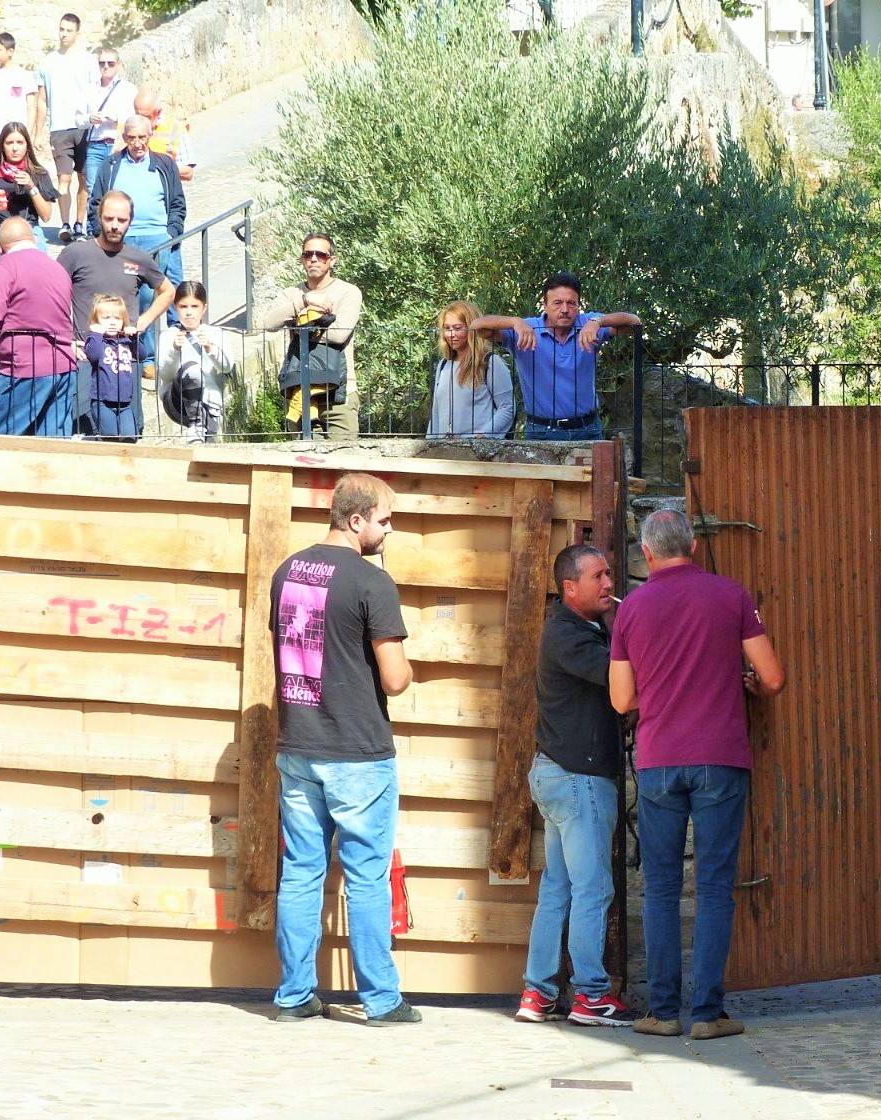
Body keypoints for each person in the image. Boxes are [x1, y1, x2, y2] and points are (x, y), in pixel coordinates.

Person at [609, 509, 785, 1039]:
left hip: (660, 759)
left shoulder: (632, 608)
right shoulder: (730, 595)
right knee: (713, 887)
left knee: (660, 887)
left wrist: (660, 694)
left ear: (647, 553)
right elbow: (773, 677)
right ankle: (707, 1015)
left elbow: (622, 700)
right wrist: (746, 685)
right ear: (693, 546)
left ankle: (662, 1013)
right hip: (721, 758)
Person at [269, 472, 421, 1027]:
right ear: (355, 520)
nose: (388, 529)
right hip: (357, 753)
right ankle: (380, 1001)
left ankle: (292, 996)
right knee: (365, 877)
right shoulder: (371, 581)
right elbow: (395, 679)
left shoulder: (287, 572)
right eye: (384, 520)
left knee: (302, 873)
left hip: (299, 745)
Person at [517, 544, 633, 1028]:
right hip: (578, 779)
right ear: (570, 588)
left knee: (559, 890)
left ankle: (538, 994)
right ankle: (589, 996)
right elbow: (623, 680)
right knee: (591, 890)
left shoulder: (576, 629)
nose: (609, 583)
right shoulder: (571, 636)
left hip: (558, 774)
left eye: (609, 574)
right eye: (598, 577)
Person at [472, 272, 641, 441]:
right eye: (557, 303)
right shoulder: (526, 329)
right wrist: (515, 322)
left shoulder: (589, 324)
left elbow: (634, 322)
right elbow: (477, 326)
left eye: (571, 303)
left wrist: (598, 322)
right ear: (544, 305)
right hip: (541, 431)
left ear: (579, 305)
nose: (565, 309)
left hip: (587, 429)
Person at [58, 191, 174, 428]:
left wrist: (144, 321)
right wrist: (65, 339)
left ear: (130, 221)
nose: (114, 226)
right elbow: (51, 295)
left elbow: (168, 291)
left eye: (121, 220)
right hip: (86, 359)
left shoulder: (139, 258)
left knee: (128, 433)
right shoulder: (76, 253)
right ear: (99, 217)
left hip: (124, 361)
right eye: (109, 219)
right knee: (85, 431)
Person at [85, 115, 186, 374]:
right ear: (124, 138)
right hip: (123, 238)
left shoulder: (164, 164)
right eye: (132, 137)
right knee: (126, 294)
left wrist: (170, 233)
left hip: (156, 237)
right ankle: (132, 353)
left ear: (150, 135)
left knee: (151, 294)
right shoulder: (111, 165)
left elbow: (177, 203)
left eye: (142, 136)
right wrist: (100, 235)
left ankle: (149, 357)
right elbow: (96, 202)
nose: (138, 143)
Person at [0, 216, 77, 437]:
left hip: (24, 368)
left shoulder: (5, 265)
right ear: (33, 239)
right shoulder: (56, 267)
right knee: (52, 448)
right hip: (63, 366)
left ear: (0, 247)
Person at [261, 233, 362, 438]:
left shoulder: (348, 292)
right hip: (300, 389)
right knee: (305, 463)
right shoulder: (291, 294)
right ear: (302, 260)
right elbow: (268, 323)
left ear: (332, 260)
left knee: (346, 461)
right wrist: (304, 302)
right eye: (308, 254)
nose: (313, 259)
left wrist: (301, 329)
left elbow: (338, 335)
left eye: (320, 254)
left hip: (339, 393)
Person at [34, 13, 97, 245]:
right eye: (61, 29)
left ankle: (80, 223)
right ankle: (65, 223)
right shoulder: (47, 63)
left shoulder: (88, 61)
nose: (64, 34)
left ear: (77, 33)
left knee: (83, 177)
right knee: (63, 178)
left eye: (69, 30)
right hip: (59, 127)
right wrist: (38, 130)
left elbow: (95, 92)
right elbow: (42, 99)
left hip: (83, 126)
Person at [133, 88, 193, 306]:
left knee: (172, 271)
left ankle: (176, 323)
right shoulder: (128, 128)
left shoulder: (175, 129)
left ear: (157, 113)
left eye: (146, 114)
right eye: (137, 112)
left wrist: (162, 166)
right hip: (136, 223)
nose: (140, 118)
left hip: (166, 214)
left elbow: (189, 170)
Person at [156, 280, 235, 443]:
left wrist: (210, 348)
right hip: (177, 401)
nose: (189, 313)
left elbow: (227, 367)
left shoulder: (215, 333)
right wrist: (174, 350)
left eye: (194, 306)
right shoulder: (168, 336)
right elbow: (165, 375)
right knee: (192, 370)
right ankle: (196, 424)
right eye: (183, 307)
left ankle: (201, 428)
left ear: (203, 308)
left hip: (210, 402)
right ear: (176, 308)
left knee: (207, 448)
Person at [428, 300, 515, 438]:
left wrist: (484, 436)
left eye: (457, 328)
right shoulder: (443, 365)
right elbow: (436, 413)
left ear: (472, 329)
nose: (451, 334)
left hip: (477, 452)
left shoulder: (490, 363)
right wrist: (430, 444)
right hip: (444, 451)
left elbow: (507, 408)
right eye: (447, 328)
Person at [0, 121, 56, 251]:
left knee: (37, 263)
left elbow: (46, 216)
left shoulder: (39, 174)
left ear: (27, 146)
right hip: (1, 231)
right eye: (9, 143)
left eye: (20, 143)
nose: (15, 148)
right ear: (2, 146)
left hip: (30, 230)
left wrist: (31, 187)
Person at [0, 33, 39, 167]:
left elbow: (32, 109)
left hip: (17, 135)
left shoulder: (25, 76)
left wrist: (27, 136)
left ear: (10, 51)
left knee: (20, 178)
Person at [82, 292, 139, 441]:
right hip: (103, 402)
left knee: (130, 439)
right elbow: (93, 355)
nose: (113, 322)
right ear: (96, 321)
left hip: (125, 403)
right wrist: (96, 334)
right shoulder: (96, 341)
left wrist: (134, 338)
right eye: (106, 318)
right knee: (110, 439)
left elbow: (142, 355)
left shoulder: (126, 341)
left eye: (117, 318)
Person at [82, 48, 135, 200]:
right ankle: (94, 224)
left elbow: (134, 118)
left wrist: (115, 117)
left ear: (118, 65)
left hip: (118, 145)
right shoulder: (89, 89)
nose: (106, 66)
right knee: (93, 190)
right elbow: (78, 119)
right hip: (95, 145)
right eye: (102, 63)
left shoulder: (128, 89)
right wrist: (90, 118)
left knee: (118, 188)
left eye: (110, 63)